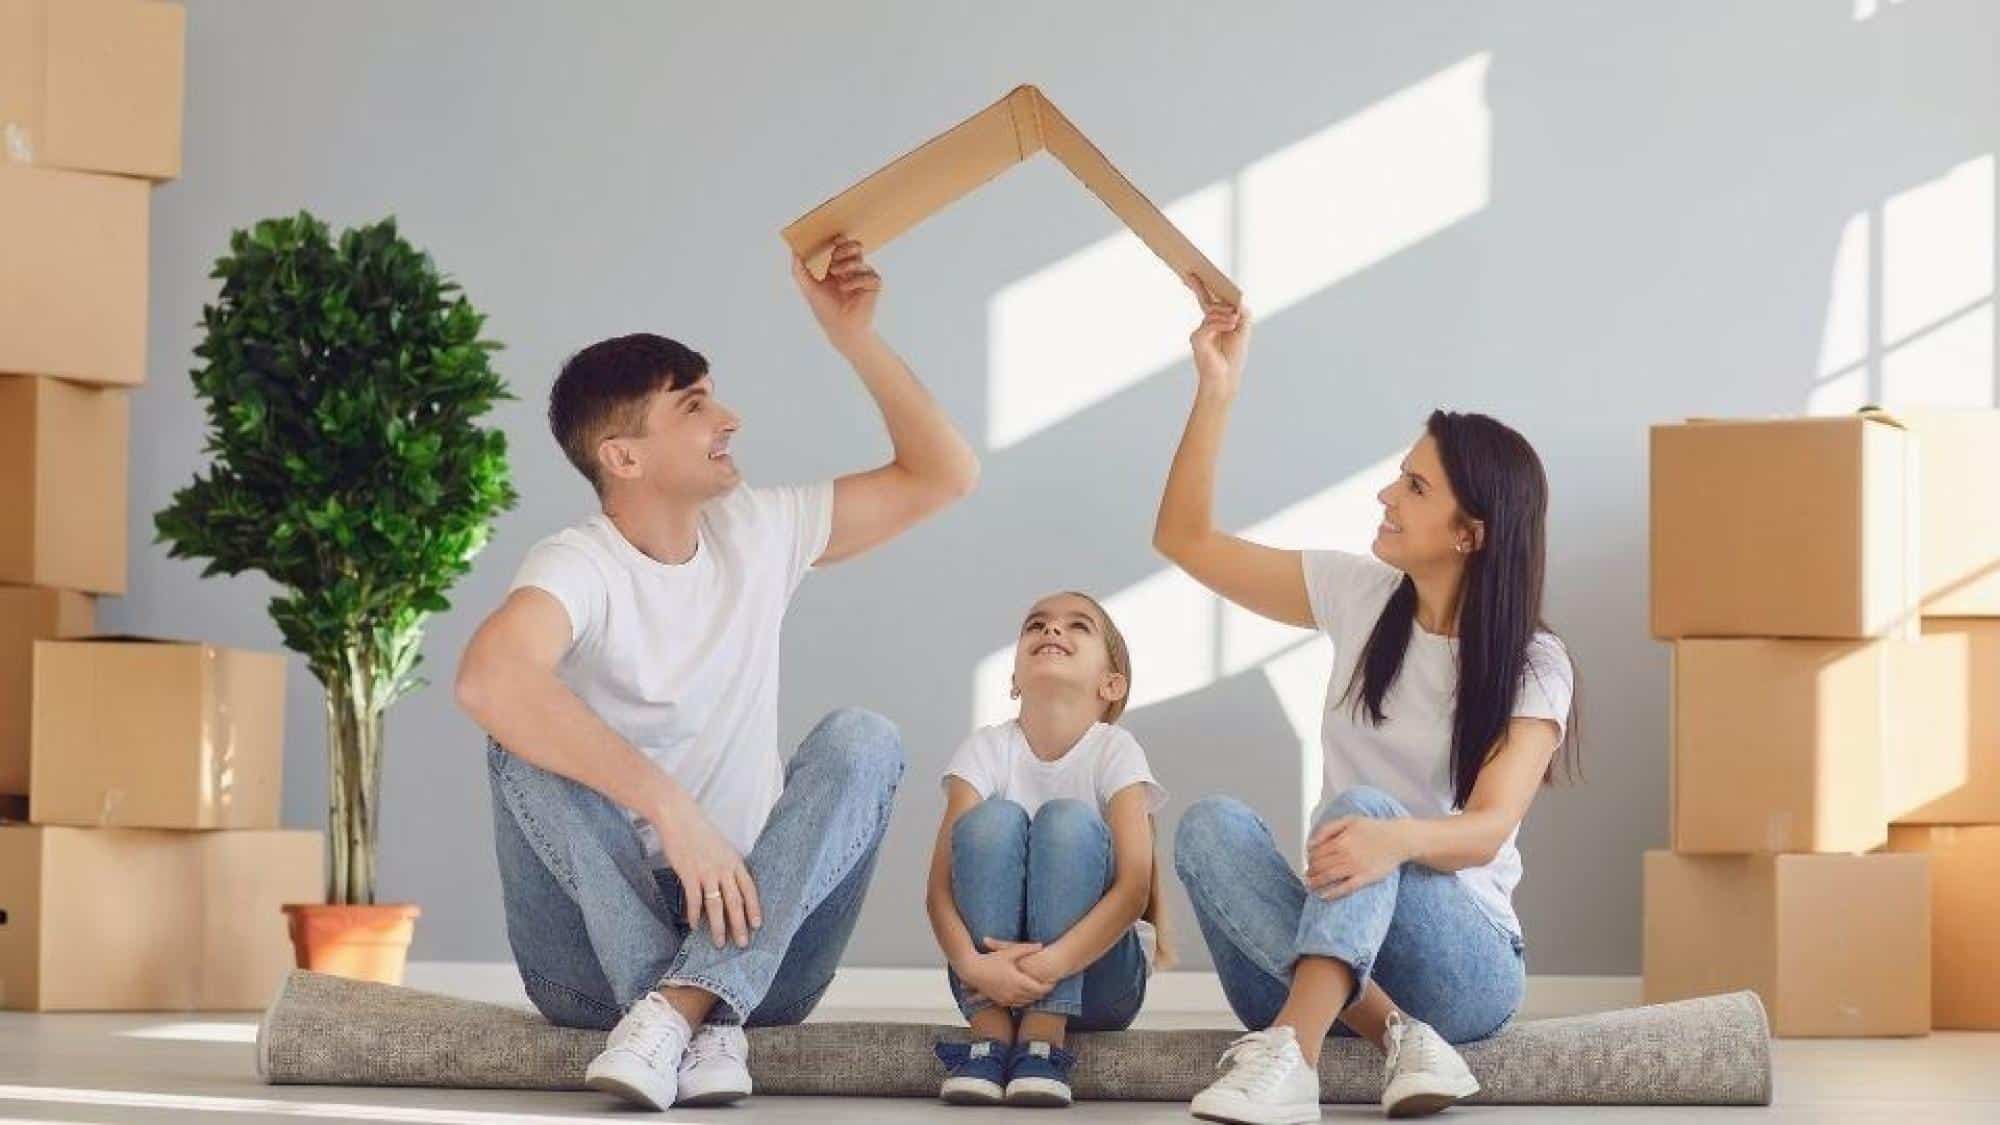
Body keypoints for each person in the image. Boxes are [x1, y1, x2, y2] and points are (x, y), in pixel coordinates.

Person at [454, 238, 979, 1110]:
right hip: (587, 961)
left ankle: (682, 1009)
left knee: (865, 739)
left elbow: (944, 473)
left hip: (756, 934)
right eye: (694, 405)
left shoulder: (757, 529)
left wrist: (854, 337)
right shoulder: (579, 563)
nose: (727, 416)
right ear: (622, 457)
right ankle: (697, 1011)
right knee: (516, 742)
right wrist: (670, 806)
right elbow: (488, 680)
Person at [1156, 286, 1577, 1122]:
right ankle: (1388, 1037)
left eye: (1415, 487)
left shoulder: (1534, 662)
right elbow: (1185, 540)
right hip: (1335, 945)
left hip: (1462, 964)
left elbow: (1488, 827)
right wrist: (1216, 391)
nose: (1388, 495)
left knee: (1356, 811)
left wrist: (1390, 837)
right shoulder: (1358, 595)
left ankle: (1292, 1055)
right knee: (1207, 825)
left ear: (1471, 532)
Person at [924, 592, 1170, 1108]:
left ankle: (1044, 1037)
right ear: (1014, 678)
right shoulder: (984, 749)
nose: (1051, 631)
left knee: (1067, 820)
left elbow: (1133, 890)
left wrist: (1051, 966)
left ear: (1111, 684)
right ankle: (989, 1040)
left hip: (1099, 978)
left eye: (1076, 626)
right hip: (986, 979)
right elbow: (940, 891)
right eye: (1036, 624)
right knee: (989, 820)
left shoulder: (1115, 751)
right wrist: (972, 967)